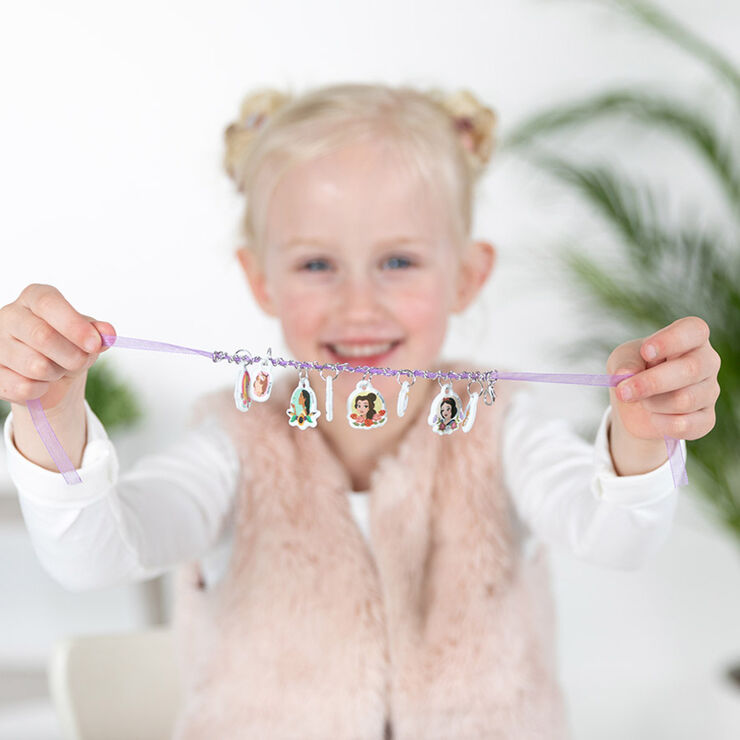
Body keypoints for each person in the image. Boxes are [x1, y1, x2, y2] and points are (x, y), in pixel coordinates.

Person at [0, 82, 720, 739]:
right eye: (317, 264)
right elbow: (96, 555)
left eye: (398, 261)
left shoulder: (503, 428)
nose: (359, 304)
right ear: (261, 279)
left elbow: (616, 537)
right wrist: (50, 413)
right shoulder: (232, 440)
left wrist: (641, 433)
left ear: (468, 276)